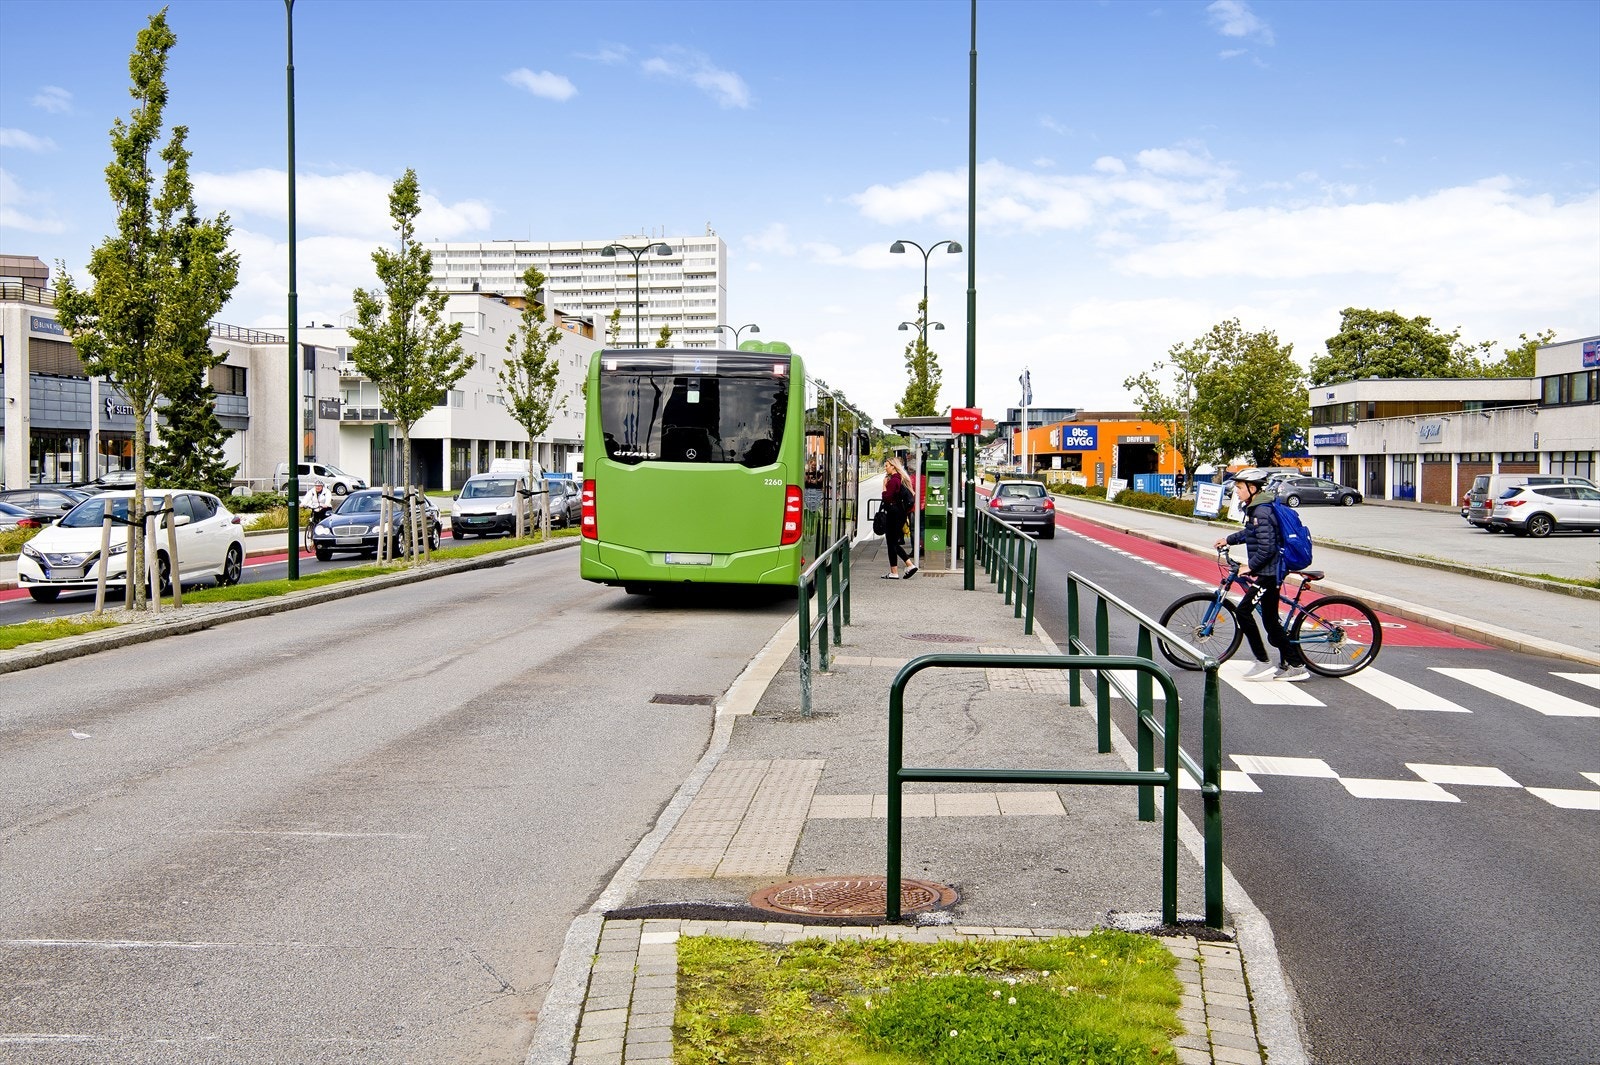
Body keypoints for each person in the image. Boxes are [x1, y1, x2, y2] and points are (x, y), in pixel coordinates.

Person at [1214, 468, 1309, 682]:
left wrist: (1251, 567)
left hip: (1269, 572)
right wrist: (1228, 540)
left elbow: (1267, 548)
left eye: (1239, 487)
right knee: (1270, 622)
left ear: (1253, 488)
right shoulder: (1256, 509)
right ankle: (1294, 663)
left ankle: (1264, 661)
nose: (1236, 491)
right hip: (1268, 571)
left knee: (1244, 612)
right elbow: (1251, 534)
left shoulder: (1261, 511)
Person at [880, 458, 917, 580]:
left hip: (893, 514)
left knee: (892, 542)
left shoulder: (893, 480)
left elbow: (887, 498)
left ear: (893, 467)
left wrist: (884, 487)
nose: (885, 468)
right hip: (899, 514)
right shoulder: (899, 479)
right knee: (892, 542)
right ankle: (894, 572)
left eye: (887, 466)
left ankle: (909, 565)